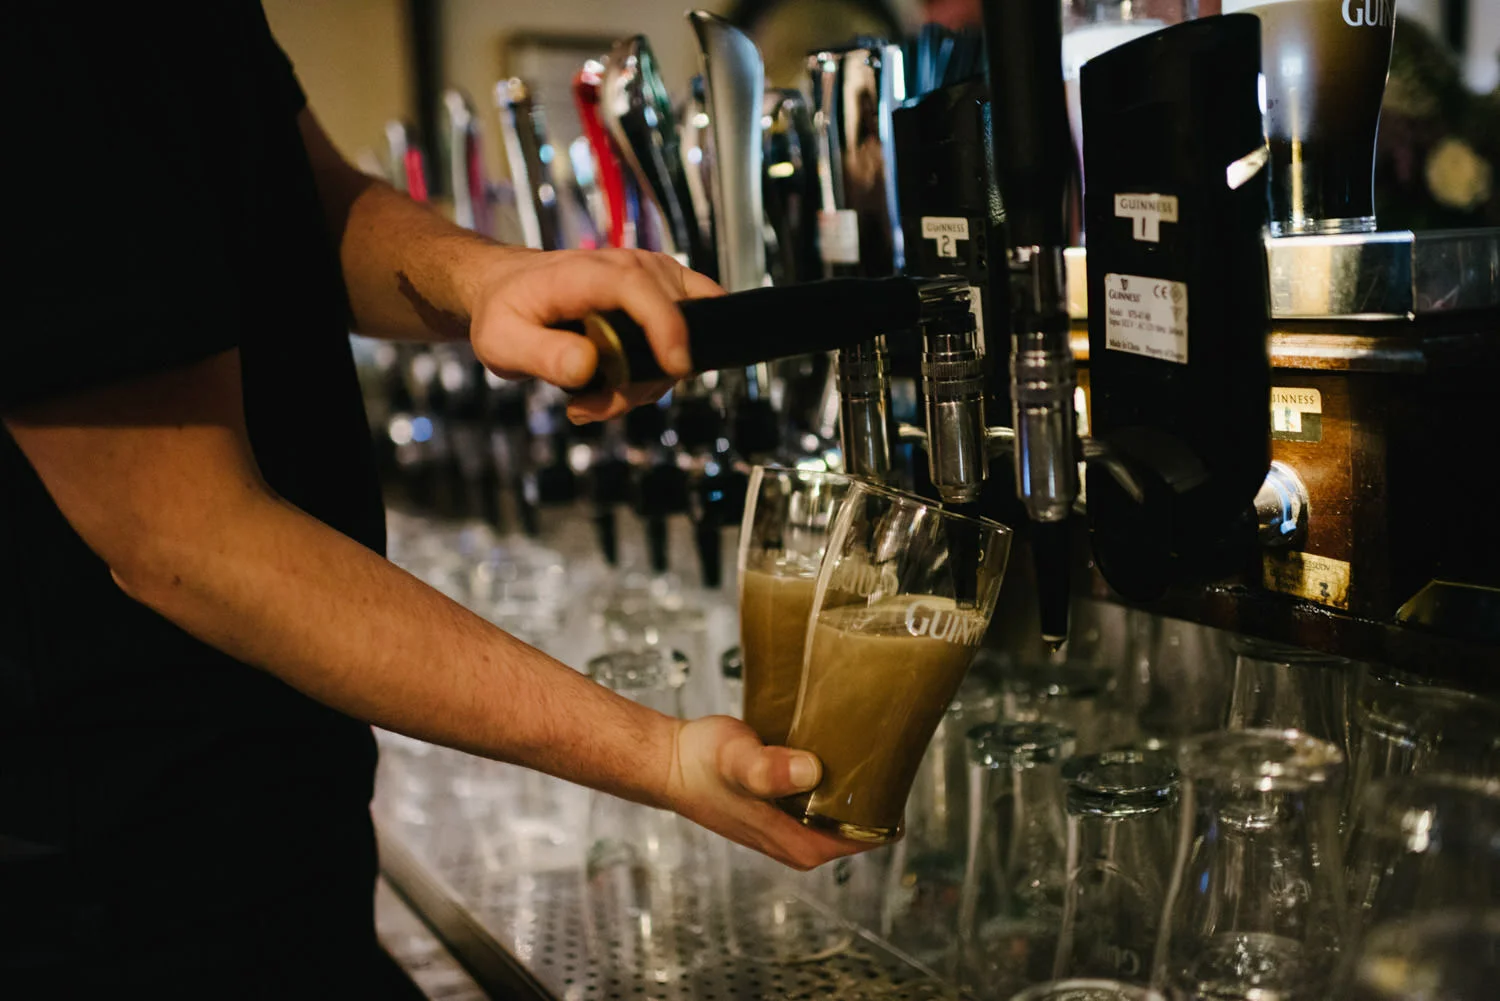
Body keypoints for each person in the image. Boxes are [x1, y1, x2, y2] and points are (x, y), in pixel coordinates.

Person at [1, 4, 860, 996]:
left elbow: (296, 195)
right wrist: (661, 754)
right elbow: (186, 540)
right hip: (103, 899)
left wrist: (489, 277)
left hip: (278, 838)